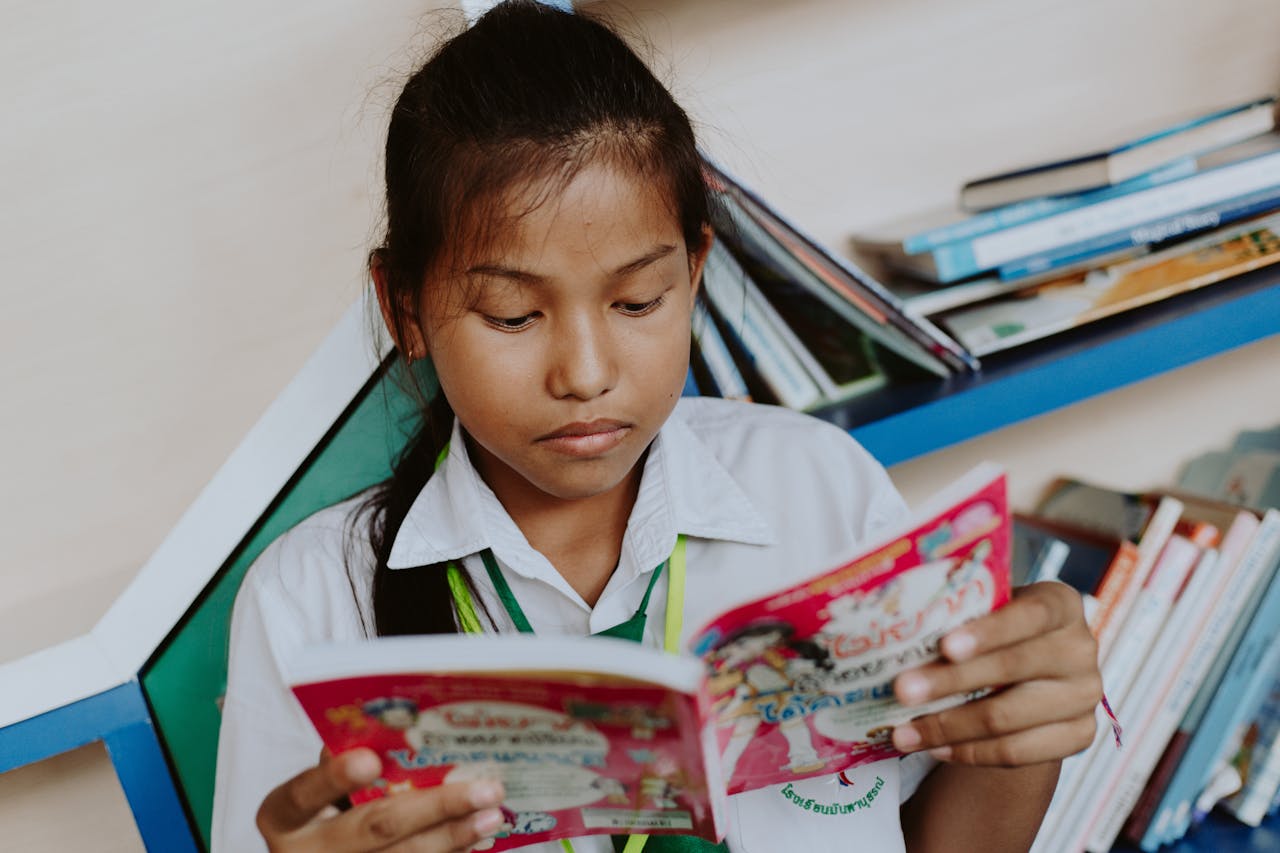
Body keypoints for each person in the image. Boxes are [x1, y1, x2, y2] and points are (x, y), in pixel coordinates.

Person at [210, 2, 1103, 851]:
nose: (586, 374)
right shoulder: (311, 604)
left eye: (639, 299)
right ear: (403, 307)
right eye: (513, 317)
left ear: (696, 269)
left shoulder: (821, 492)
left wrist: (1030, 726)